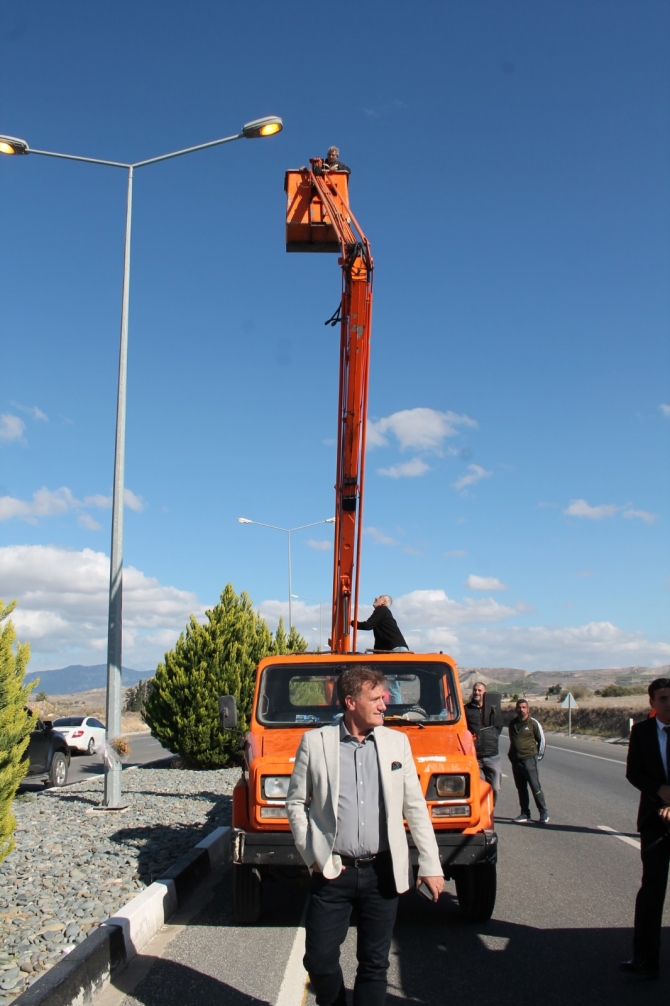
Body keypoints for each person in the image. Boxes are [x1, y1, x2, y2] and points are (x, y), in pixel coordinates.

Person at [286, 665, 443, 1006]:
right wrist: (312, 855)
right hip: (333, 872)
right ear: (350, 702)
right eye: (376, 699)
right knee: (319, 960)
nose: (385, 705)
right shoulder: (316, 743)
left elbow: (415, 807)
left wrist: (431, 865)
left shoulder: (396, 743)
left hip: (382, 873)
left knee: (374, 964)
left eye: (384, 698)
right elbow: (296, 803)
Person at [619, 676, 670, 981]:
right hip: (655, 822)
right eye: (662, 698)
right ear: (652, 703)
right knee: (652, 891)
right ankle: (645, 957)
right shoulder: (642, 732)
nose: (668, 703)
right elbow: (633, 773)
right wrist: (659, 792)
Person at [508, 698, 549, 824]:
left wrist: (537, 757)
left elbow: (542, 740)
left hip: (529, 760)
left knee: (535, 787)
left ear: (528, 709)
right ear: (516, 709)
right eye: (519, 708)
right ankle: (525, 813)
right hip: (516, 762)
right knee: (521, 789)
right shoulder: (512, 724)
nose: (521, 710)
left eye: (524, 707)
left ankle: (543, 813)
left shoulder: (533, 723)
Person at [465, 682, 502, 803]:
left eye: (479, 690)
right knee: (473, 787)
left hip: (492, 755)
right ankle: (478, 810)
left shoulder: (493, 709)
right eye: (475, 690)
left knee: (495, 788)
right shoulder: (466, 709)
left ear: (485, 693)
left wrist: (493, 737)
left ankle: (490, 809)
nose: (477, 692)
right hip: (475, 755)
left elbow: (499, 726)